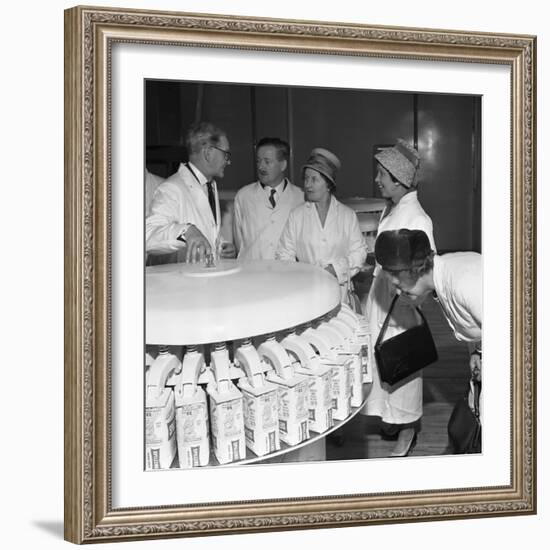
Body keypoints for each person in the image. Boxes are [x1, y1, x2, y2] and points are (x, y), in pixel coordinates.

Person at [362, 138, 436, 457]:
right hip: (382, 299)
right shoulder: (391, 210)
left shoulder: (418, 220)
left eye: (381, 174)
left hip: (401, 306)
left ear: (398, 179)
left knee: (403, 367)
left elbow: (423, 270)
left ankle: (407, 430)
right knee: (384, 363)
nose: (377, 180)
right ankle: (391, 420)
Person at [375, 228, 482, 381]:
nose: (399, 292)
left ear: (413, 270)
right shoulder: (444, 274)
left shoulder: (464, 282)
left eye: (398, 284)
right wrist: (480, 351)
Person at [276, 147, 366, 301]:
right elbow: (283, 254)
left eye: (314, 179)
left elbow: (359, 252)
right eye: (306, 179)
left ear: (329, 184)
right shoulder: (296, 216)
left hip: (339, 294)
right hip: (305, 293)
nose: (307, 185)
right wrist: (302, 275)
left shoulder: (347, 216)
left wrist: (336, 269)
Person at [146, 121, 236, 263]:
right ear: (208, 153)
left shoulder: (210, 186)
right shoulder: (172, 188)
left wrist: (220, 246)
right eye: (225, 154)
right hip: (184, 281)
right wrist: (187, 232)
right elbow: (148, 235)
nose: (228, 161)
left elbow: (206, 228)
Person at [233, 137, 304, 260]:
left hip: (287, 274)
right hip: (251, 273)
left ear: (283, 165)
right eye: (258, 161)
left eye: (267, 161)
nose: (261, 167)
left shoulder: (301, 198)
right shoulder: (243, 196)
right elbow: (239, 242)